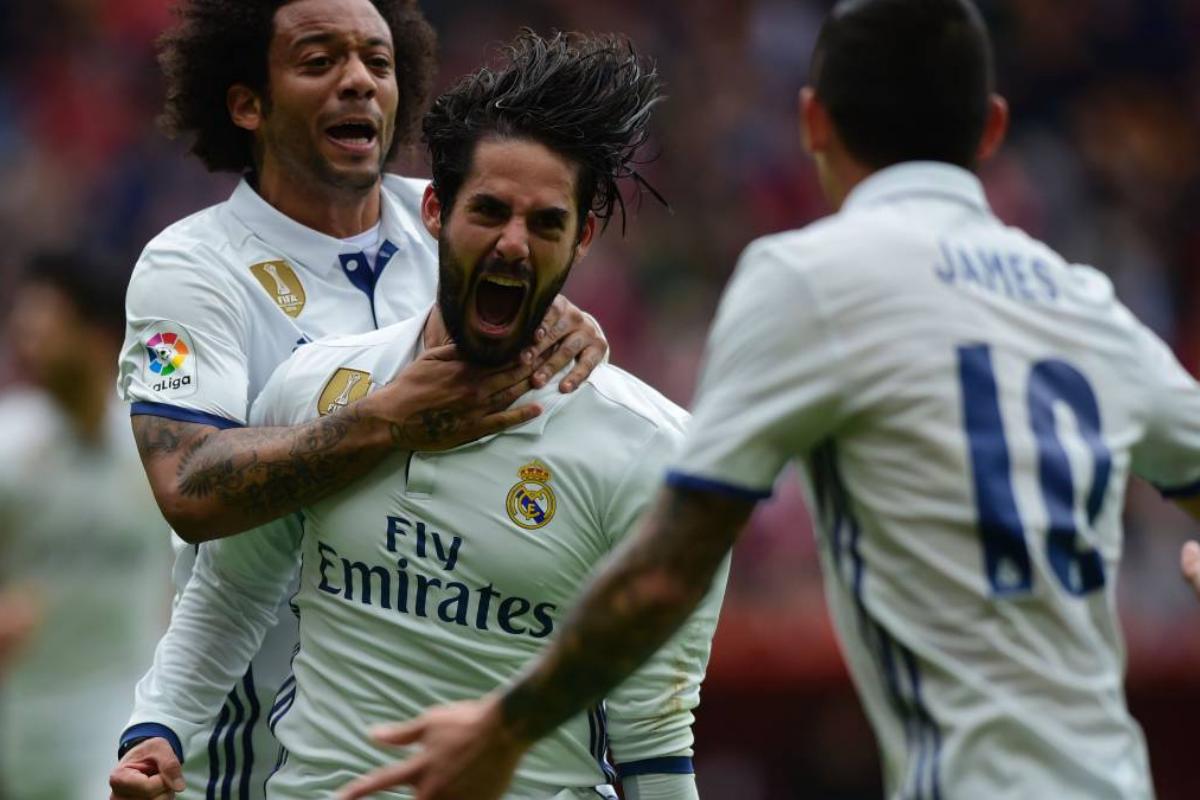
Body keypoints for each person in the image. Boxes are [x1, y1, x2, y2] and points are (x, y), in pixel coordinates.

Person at [348, 2, 1200, 799]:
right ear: (993, 129)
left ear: (813, 121)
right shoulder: (1086, 305)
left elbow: (666, 572)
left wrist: (506, 726)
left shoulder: (810, 279)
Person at [109, 31, 725, 800]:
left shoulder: (651, 449)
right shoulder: (260, 333)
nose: (513, 243)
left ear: (583, 239)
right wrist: (157, 725)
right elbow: (223, 568)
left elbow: (655, 739)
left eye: (546, 224)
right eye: (489, 212)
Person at [0, 251, 171, 799]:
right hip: (24, 712)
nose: (25, 338)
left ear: (97, 338)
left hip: (122, 705)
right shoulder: (9, 446)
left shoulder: (155, 448)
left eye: (43, 323)